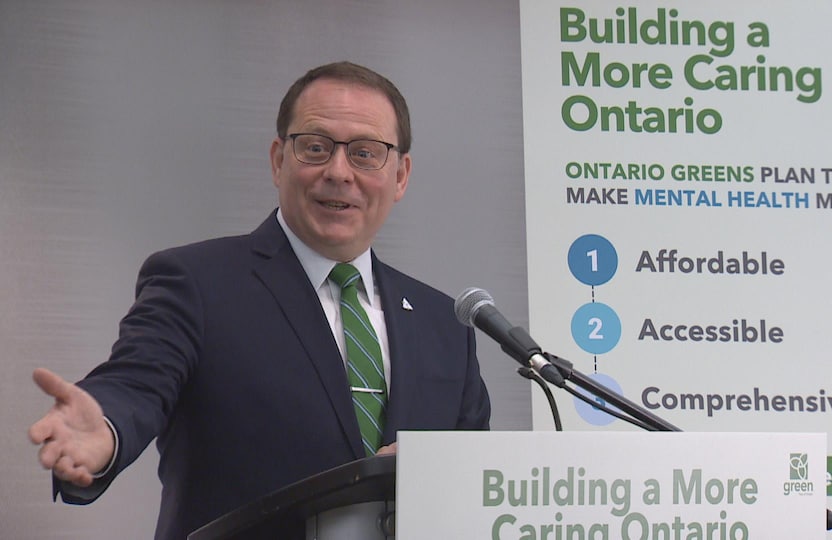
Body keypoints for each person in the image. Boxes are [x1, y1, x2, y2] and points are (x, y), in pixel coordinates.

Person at [27, 61, 491, 539]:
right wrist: (105, 427)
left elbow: (479, 485)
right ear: (278, 160)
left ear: (400, 176)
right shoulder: (199, 283)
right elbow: (136, 383)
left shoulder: (447, 325)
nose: (338, 172)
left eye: (365, 154)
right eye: (315, 148)